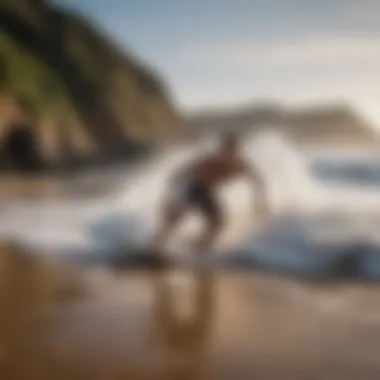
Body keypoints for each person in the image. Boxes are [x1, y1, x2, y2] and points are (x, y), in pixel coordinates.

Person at [151, 132, 269, 254]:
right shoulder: (211, 160)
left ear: (237, 151)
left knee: (218, 223)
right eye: (225, 150)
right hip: (191, 186)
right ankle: (155, 247)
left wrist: (260, 202)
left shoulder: (240, 165)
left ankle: (198, 247)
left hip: (206, 193)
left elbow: (257, 181)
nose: (227, 155)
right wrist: (170, 195)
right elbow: (182, 172)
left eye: (231, 151)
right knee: (174, 216)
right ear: (222, 149)